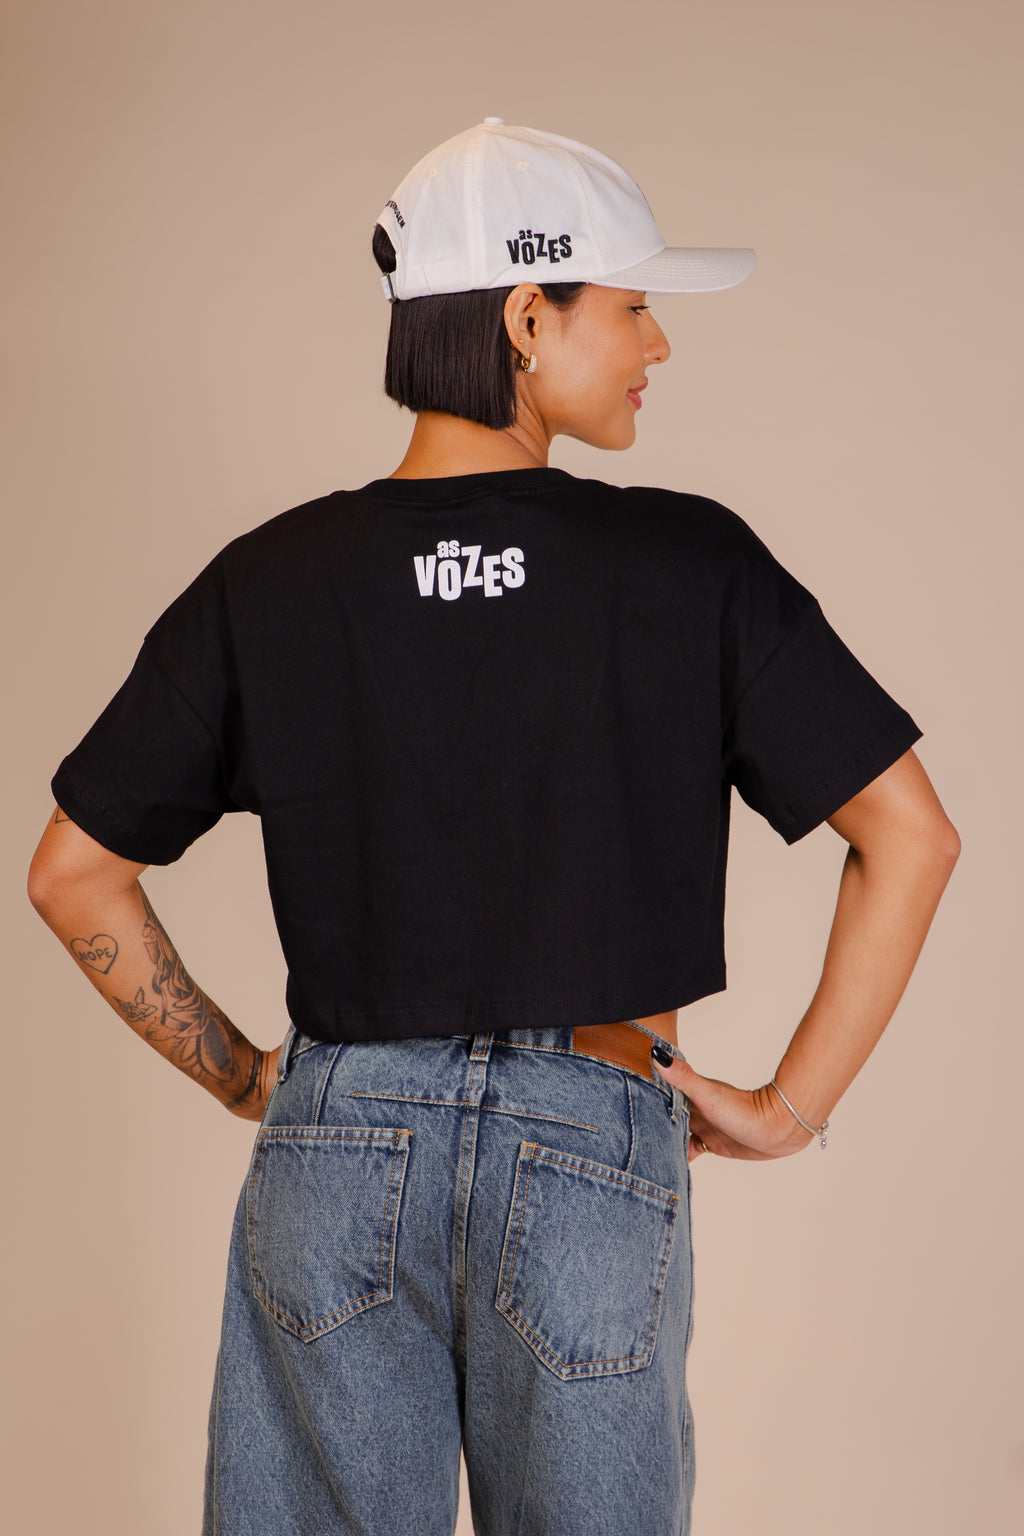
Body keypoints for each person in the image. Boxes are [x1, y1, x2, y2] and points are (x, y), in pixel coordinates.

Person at [27, 119, 959, 1536]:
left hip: (337, 1145)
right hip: (589, 1139)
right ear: (529, 316)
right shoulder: (690, 562)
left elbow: (74, 875)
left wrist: (245, 1082)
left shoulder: (271, 580)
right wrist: (788, 1113)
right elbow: (912, 837)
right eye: (633, 305)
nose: (659, 342)